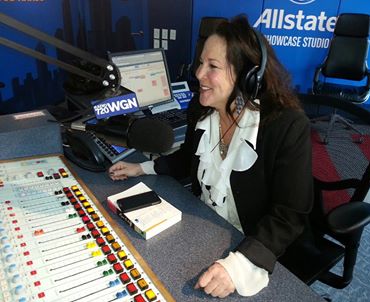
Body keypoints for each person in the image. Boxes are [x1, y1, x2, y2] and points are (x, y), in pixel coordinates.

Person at [109, 15, 313, 298]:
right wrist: (142, 168)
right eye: (201, 63)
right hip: (204, 228)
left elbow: (289, 215)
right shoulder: (202, 107)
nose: (199, 74)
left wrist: (239, 265)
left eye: (212, 67)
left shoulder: (287, 126)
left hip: (255, 245)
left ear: (246, 76)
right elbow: (186, 158)